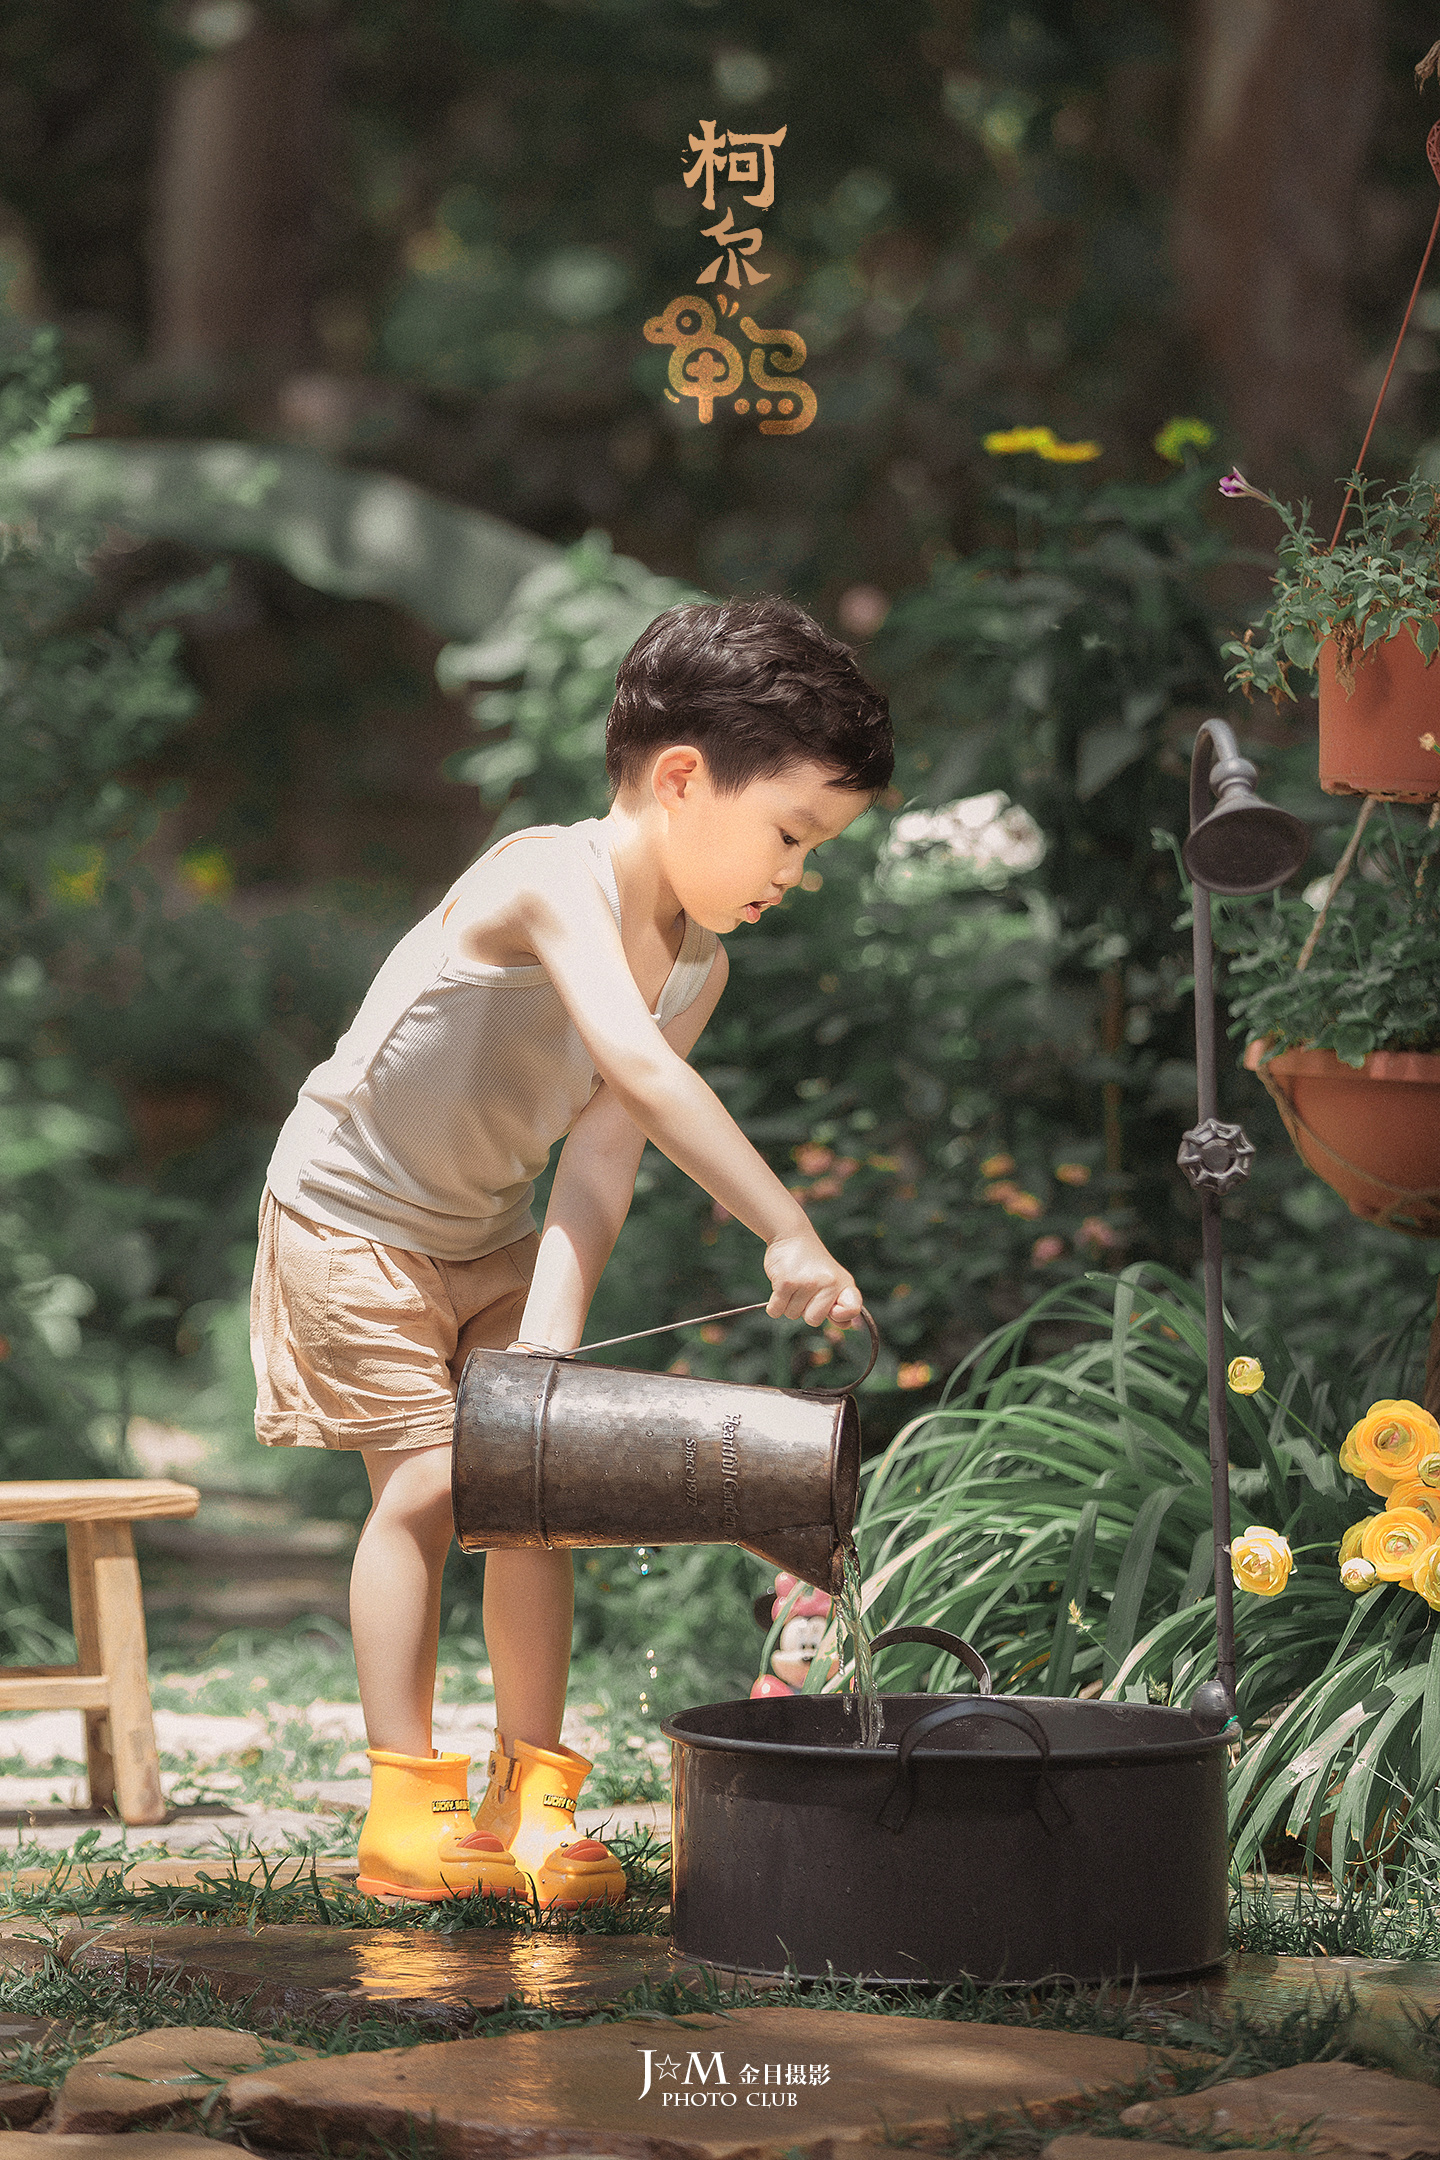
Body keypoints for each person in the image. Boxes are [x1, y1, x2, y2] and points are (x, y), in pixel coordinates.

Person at [249, 594, 894, 1905]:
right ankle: (404, 1803)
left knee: (528, 1483)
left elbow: (600, 1159)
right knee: (427, 1487)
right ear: (681, 778)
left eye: (814, 848)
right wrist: (786, 1229)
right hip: (346, 1219)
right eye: (789, 833)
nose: (794, 873)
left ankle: (527, 1798)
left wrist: (545, 1345)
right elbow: (641, 1075)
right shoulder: (545, 876)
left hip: (485, 1232)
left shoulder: (697, 967)